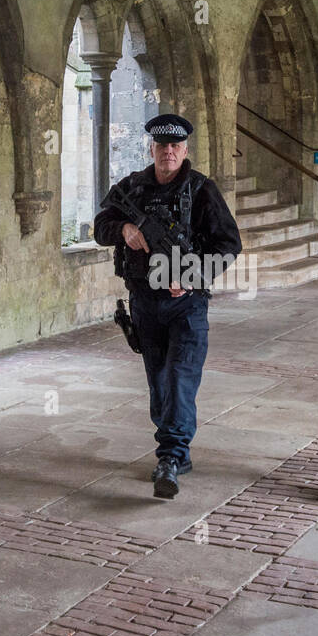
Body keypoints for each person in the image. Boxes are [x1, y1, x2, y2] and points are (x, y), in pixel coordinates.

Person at [93, 113, 243, 499]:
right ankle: (175, 447)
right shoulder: (133, 188)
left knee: (180, 377)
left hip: (186, 305)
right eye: (162, 146)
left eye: (175, 146)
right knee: (159, 382)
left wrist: (190, 277)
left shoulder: (201, 190)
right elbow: (100, 226)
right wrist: (123, 230)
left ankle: (170, 457)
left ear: (185, 150)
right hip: (144, 302)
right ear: (153, 149)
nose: (169, 152)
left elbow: (229, 245)